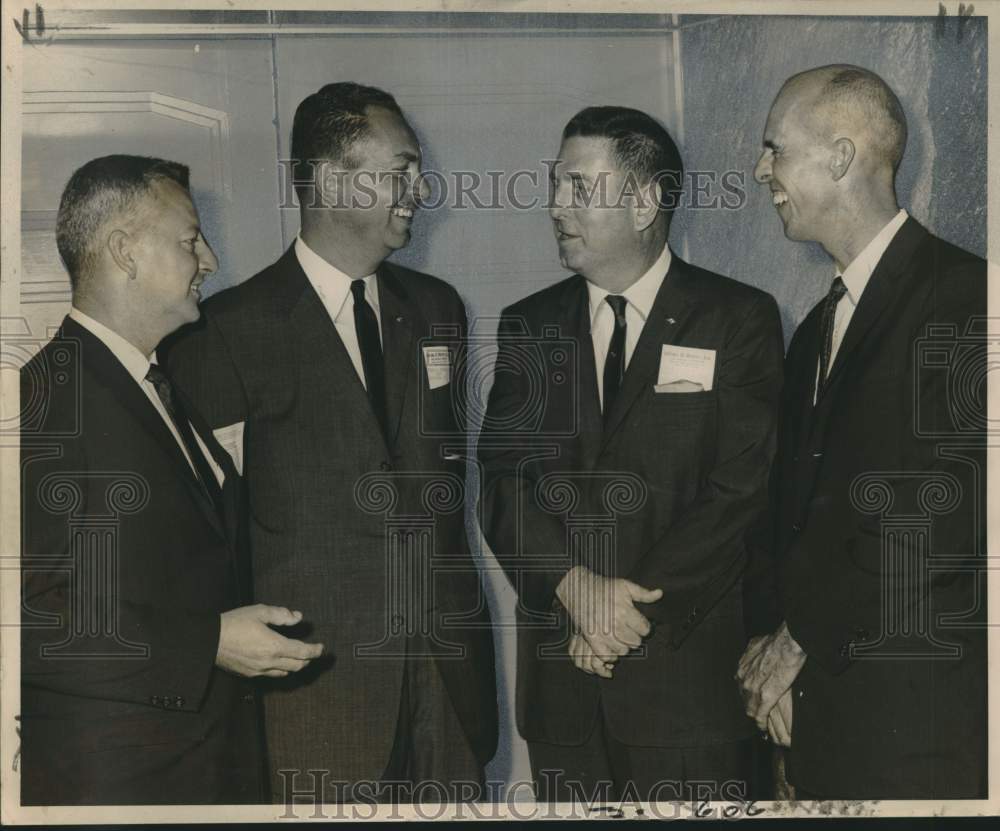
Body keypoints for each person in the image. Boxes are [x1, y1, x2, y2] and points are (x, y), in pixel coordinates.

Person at [164, 83, 498, 803]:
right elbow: (204, 542)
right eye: (400, 170)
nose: (420, 189)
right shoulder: (223, 332)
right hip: (314, 698)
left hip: (447, 685)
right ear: (335, 180)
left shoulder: (437, 308)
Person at [477, 106, 783, 803]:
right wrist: (575, 587)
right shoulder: (530, 324)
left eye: (580, 188)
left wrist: (620, 614)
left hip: (686, 689)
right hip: (563, 699)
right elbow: (502, 482)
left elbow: (741, 489)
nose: (556, 206)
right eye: (556, 185)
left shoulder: (737, 318)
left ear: (645, 201)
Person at [19, 155, 323, 805]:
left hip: (207, 765)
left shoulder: (158, 384)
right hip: (120, 784)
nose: (209, 260)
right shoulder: (44, 400)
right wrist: (209, 641)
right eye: (189, 239)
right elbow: (31, 620)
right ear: (124, 251)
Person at [737, 64, 987, 799]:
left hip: (919, 733)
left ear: (841, 157)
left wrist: (797, 639)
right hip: (818, 723)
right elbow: (789, 517)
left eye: (773, 148)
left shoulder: (968, 301)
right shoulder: (816, 327)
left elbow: (939, 516)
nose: (759, 171)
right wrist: (773, 660)